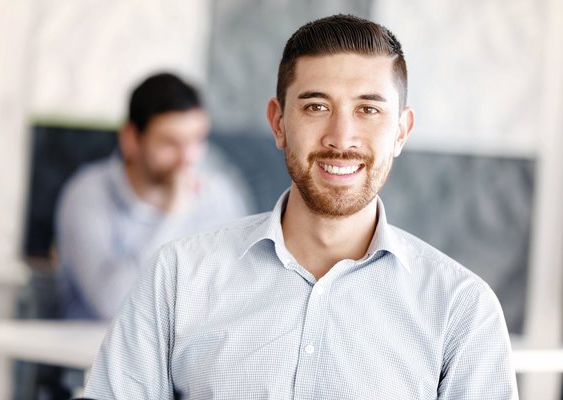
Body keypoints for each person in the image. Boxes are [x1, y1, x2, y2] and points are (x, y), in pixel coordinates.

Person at [84, 15, 518, 399]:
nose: (341, 137)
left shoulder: (463, 309)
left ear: (401, 131)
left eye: (368, 109)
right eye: (316, 106)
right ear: (278, 123)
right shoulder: (177, 277)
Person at [56, 72, 251, 320]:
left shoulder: (219, 195)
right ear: (131, 139)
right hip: (95, 354)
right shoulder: (88, 195)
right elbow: (114, 306)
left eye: (196, 140)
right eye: (170, 143)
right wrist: (172, 215)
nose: (187, 159)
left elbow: (241, 293)